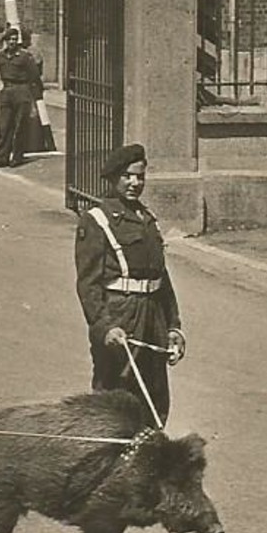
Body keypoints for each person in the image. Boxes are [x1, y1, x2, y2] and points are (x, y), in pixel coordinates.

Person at [73, 144, 186, 424]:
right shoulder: (97, 220)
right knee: (114, 401)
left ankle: (145, 461)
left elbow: (162, 279)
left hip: (152, 319)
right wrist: (105, 326)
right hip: (121, 317)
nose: (135, 183)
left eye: (140, 177)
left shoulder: (147, 219)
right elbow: (89, 284)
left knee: (154, 398)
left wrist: (174, 327)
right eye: (127, 176)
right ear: (113, 178)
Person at [0, 27, 40, 169]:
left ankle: (17, 156)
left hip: (21, 91)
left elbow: (34, 75)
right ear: (5, 41)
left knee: (20, 126)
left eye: (15, 39)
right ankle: (1, 157)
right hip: (7, 91)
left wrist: (33, 97)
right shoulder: (1, 56)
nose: (12, 42)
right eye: (10, 39)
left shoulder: (24, 57)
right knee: (4, 126)